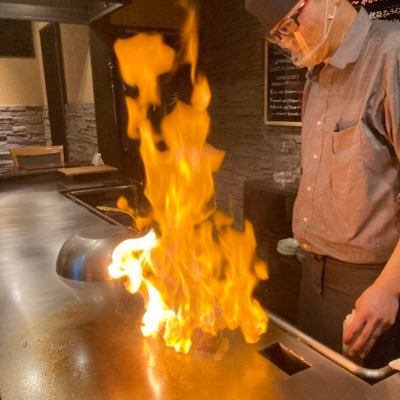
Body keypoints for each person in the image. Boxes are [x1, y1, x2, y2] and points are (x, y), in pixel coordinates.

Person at [246, 0, 400, 368]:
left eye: (290, 25)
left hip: (370, 284)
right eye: (277, 35)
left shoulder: (391, 55)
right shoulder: (317, 74)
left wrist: (389, 290)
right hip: (312, 272)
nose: (288, 43)